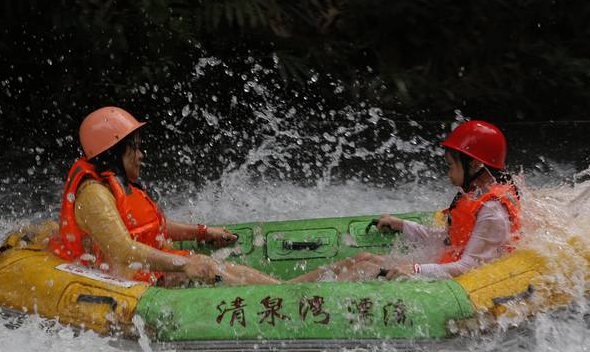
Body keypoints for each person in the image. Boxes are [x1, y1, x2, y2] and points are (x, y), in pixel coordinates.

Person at [48, 106, 279, 287]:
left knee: (213, 265)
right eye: (134, 148)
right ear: (114, 150)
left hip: (136, 273)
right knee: (209, 267)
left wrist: (203, 232)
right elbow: (124, 250)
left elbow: (150, 228)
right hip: (114, 283)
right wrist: (184, 263)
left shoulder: (115, 185)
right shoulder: (94, 195)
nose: (141, 155)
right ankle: (285, 292)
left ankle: (283, 288)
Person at [292, 120, 521, 282]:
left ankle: (300, 302)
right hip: (444, 268)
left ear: (474, 166)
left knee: (365, 270)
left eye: (451, 165)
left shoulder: (492, 212)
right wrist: (404, 226)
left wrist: (416, 269)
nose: (447, 173)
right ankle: (289, 289)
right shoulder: (475, 193)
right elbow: (450, 241)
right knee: (364, 258)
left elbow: (469, 267)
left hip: (456, 283)